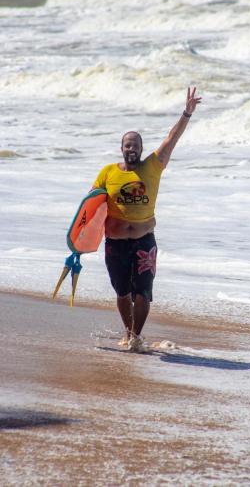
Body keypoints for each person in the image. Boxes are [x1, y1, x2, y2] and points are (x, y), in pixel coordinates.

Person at [92, 87, 201, 351]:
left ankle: (136, 338)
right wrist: (80, 241)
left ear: (141, 148)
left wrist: (186, 113)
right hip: (115, 243)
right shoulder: (107, 173)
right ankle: (128, 331)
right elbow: (92, 205)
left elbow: (171, 139)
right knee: (122, 293)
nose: (132, 148)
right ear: (121, 148)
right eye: (128, 144)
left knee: (143, 293)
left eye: (136, 145)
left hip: (144, 242)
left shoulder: (153, 166)